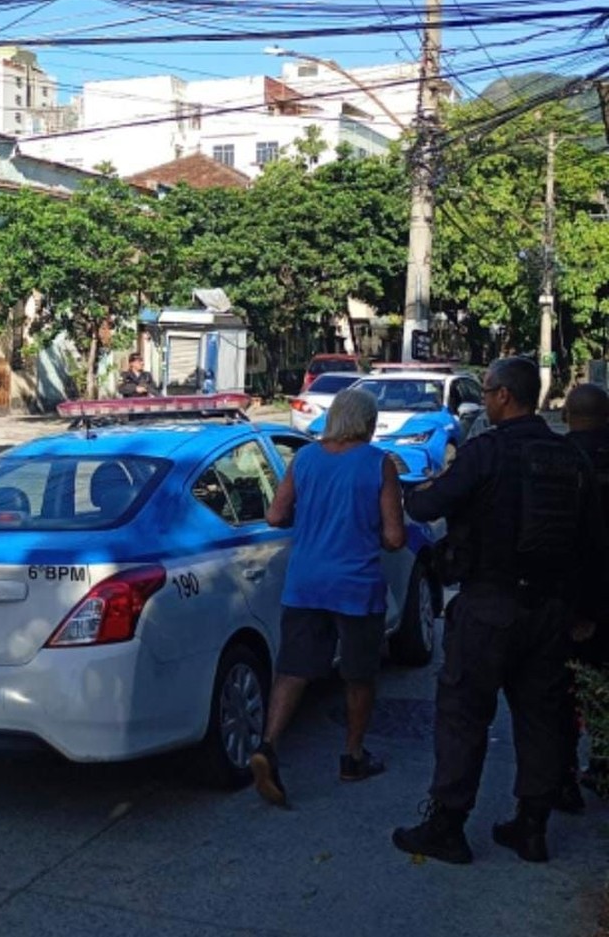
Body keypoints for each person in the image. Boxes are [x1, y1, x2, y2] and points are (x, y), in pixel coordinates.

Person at [392, 357, 602, 865]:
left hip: (490, 604)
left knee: (463, 713)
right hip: (551, 610)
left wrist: (427, 487)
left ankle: (448, 824)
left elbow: (424, 508)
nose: (483, 399)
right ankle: (532, 826)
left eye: (486, 391)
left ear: (505, 396)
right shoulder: (571, 458)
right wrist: (586, 608)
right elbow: (594, 544)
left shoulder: (486, 453)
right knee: (540, 717)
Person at [250, 387, 406, 808]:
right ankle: (353, 757)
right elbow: (394, 536)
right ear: (367, 423)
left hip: (305, 582)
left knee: (293, 669)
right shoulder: (378, 465)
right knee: (359, 675)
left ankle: (268, 746)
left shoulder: (304, 459)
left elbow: (276, 515)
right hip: (355, 586)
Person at [558, 383, 609, 809]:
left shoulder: (556, 459)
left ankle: (563, 776)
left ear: (568, 415)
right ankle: (602, 762)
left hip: (567, 598)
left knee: (561, 690)